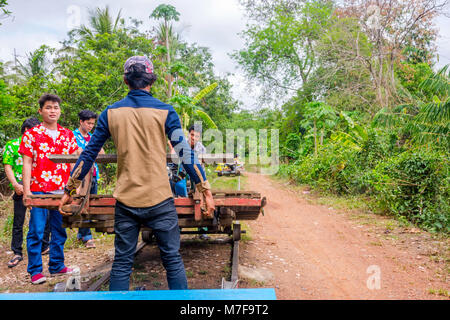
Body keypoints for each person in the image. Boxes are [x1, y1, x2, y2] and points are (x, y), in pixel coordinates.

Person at [59, 56, 215, 291]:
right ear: (151, 81)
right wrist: (205, 190)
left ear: (125, 81)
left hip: (126, 200)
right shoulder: (165, 111)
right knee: (172, 260)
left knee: (122, 262)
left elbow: (89, 154)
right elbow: (186, 154)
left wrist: (70, 189)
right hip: (160, 199)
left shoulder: (110, 113)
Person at [20, 93, 80, 284]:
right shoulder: (32, 134)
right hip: (38, 189)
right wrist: (27, 190)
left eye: (55, 108)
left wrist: (74, 190)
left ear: (60, 111)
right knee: (37, 230)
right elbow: (27, 163)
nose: (52, 111)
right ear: (40, 111)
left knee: (59, 229)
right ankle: (36, 270)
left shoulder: (67, 134)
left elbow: (74, 164)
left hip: (62, 190)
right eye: (48, 107)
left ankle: (57, 265)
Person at [3, 117, 51, 268]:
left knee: (46, 217)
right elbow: (8, 166)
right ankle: (17, 252)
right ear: (25, 131)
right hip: (20, 188)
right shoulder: (12, 145)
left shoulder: (41, 145)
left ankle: (44, 246)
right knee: (19, 220)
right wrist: (16, 184)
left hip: (39, 187)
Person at [73, 109, 105, 248]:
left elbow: (102, 153)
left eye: (93, 124)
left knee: (90, 204)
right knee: (82, 203)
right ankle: (87, 236)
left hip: (93, 173)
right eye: (88, 123)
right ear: (81, 122)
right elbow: (77, 153)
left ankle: (82, 233)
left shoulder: (92, 137)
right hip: (79, 175)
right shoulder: (72, 136)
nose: (90, 126)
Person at [187, 124, 209, 240]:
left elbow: (200, 166)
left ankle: (202, 230)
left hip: (198, 176)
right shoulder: (182, 145)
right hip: (184, 175)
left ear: (199, 137)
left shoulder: (201, 148)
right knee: (179, 194)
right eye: (192, 135)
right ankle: (176, 228)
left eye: (196, 136)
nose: (193, 138)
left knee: (202, 198)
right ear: (188, 134)